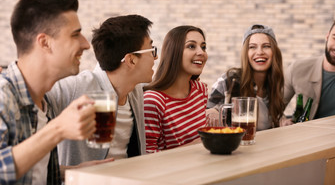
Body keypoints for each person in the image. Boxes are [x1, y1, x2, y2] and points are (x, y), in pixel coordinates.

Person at [0, 0, 96, 184]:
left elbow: (35, 172)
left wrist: (71, 172)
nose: (86, 44)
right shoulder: (3, 97)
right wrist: (57, 130)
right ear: (45, 42)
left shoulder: (44, 101)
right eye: (75, 34)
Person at [46, 15, 157, 168]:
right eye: (152, 51)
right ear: (131, 60)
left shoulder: (134, 90)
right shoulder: (77, 88)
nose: (155, 57)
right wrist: (70, 171)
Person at [282, 14, 335, 125]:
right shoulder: (297, 69)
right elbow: (273, 108)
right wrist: (282, 121)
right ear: (327, 36)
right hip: (305, 139)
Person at [144, 25, 208, 153]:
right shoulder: (153, 101)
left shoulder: (200, 90)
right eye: (191, 46)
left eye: (203, 47)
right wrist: (194, 146)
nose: (201, 52)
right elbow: (147, 157)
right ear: (173, 51)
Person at [208, 24, 285, 129]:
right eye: (252, 47)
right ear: (245, 53)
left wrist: (282, 120)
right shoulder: (230, 80)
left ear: (274, 52)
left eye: (266, 46)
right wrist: (213, 112)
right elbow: (209, 112)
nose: (260, 52)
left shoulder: (274, 84)